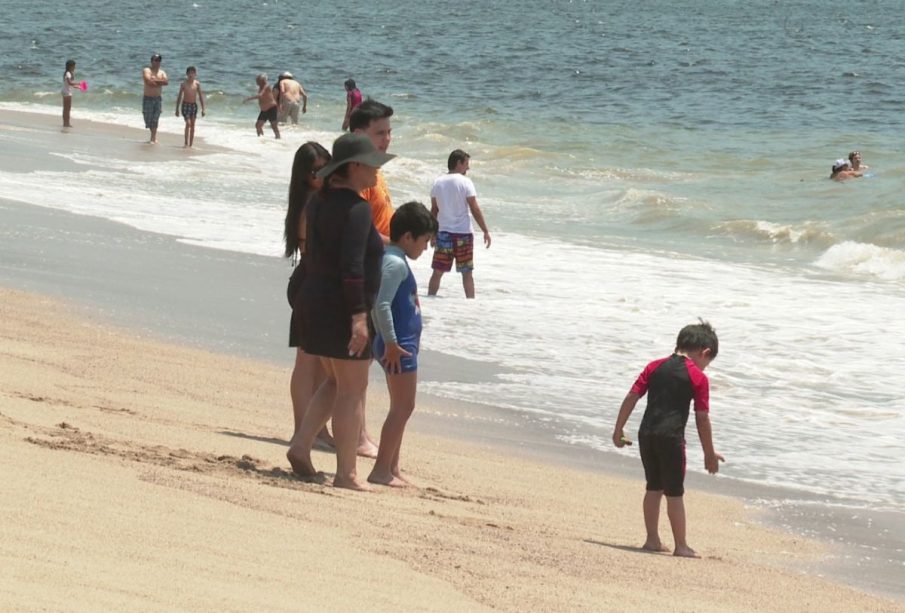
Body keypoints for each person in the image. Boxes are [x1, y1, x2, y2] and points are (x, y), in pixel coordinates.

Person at [285, 133, 395, 491]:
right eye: (373, 162)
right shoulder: (357, 208)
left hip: (313, 299)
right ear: (356, 167)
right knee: (352, 388)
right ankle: (346, 474)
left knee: (335, 381)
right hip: (340, 308)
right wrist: (360, 318)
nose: (378, 169)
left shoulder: (319, 202)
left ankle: (302, 444)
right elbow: (352, 268)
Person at [612, 321, 725, 558]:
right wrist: (709, 453)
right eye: (707, 362)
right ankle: (681, 545)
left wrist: (618, 429)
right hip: (671, 438)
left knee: (653, 486)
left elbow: (632, 396)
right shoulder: (698, 378)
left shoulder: (655, 366)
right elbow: (702, 418)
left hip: (647, 433)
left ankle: (652, 540)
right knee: (674, 492)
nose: (705, 368)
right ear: (704, 352)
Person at [367, 202, 438, 487]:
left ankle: (392, 467)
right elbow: (380, 305)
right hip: (398, 346)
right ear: (408, 237)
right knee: (403, 407)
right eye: (424, 241)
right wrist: (391, 343)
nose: (426, 247)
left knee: (401, 406)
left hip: (400, 343)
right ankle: (381, 470)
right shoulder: (395, 263)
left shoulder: (395, 259)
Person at [286, 142, 335, 451]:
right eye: (316, 171)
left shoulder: (319, 199)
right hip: (310, 283)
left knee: (318, 363)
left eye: (326, 168)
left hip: (312, 281)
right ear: (305, 175)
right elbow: (314, 251)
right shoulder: (309, 202)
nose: (322, 175)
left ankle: (315, 427)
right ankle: (304, 428)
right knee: (308, 361)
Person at [427, 149, 492, 299]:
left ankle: (429, 300)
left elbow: (434, 210)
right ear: (458, 163)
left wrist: (431, 233)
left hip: (443, 233)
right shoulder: (466, 182)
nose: (468, 168)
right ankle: (471, 305)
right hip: (463, 234)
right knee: (467, 273)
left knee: (437, 272)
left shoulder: (438, 182)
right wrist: (485, 230)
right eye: (466, 164)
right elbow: (474, 208)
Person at [350, 99, 395, 243]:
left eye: (389, 132)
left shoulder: (373, 168)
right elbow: (360, 231)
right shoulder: (357, 175)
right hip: (374, 257)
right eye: (380, 133)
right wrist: (399, 245)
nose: (387, 139)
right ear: (359, 134)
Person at [174, 66, 206, 148]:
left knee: (193, 125)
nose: (191, 75)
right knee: (188, 123)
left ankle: (191, 144)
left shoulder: (197, 84)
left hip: (193, 106)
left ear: (195, 74)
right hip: (185, 105)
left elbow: (200, 96)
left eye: (193, 73)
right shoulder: (183, 84)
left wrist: (203, 109)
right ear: (187, 74)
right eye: (189, 73)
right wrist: (177, 109)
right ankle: (185, 143)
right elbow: (180, 96)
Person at [142, 53, 169, 144]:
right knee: (147, 119)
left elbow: (166, 82)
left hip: (158, 99)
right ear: (152, 61)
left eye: (159, 61)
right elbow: (148, 81)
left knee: (155, 118)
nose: (158, 62)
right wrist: (158, 82)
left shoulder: (162, 72)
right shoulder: (147, 70)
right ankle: (153, 136)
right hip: (147, 98)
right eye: (156, 60)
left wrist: (155, 80)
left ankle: (153, 138)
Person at [243, 74, 280, 139]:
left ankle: (278, 139)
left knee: (274, 126)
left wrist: (249, 98)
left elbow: (260, 95)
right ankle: (261, 139)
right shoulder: (261, 86)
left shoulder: (266, 86)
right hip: (264, 110)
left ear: (262, 80)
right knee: (258, 125)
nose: (256, 81)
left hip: (271, 108)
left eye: (257, 80)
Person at [61, 59, 77, 128]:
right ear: (70, 66)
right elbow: (70, 83)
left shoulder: (67, 73)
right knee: (67, 108)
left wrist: (78, 87)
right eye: (74, 66)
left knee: (66, 108)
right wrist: (79, 83)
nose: (75, 68)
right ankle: (66, 123)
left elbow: (70, 84)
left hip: (66, 90)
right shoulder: (68, 73)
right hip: (67, 92)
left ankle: (66, 123)